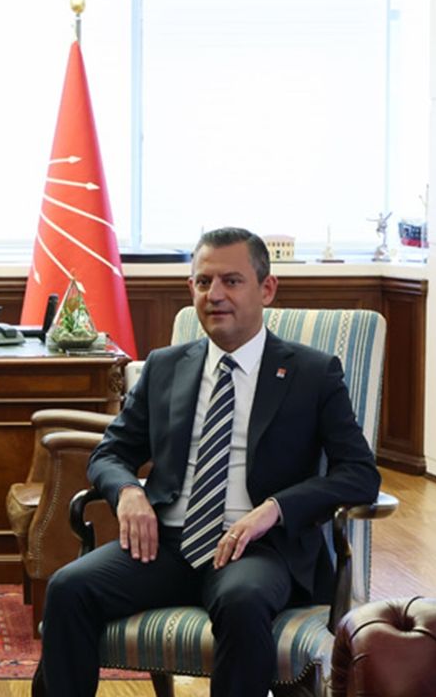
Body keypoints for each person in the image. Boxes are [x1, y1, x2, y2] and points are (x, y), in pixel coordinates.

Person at [39, 227, 381, 697]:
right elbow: (111, 452)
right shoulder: (165, 366)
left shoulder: (313, 372)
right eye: (203, 282)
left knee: (242, 601)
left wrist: (276, 508)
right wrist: (129, 492)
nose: (214, 295)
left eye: (231, 281)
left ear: (266, 288)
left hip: (257, 549)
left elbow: (359, 474)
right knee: (67, 588)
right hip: (164, 544)